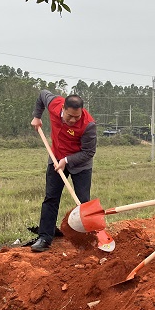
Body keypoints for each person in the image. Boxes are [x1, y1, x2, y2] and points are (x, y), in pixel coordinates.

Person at [30, 90, 96, 253]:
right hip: (56, 157)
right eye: (69, 116)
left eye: (77, 116)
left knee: (82, 201)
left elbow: (89, 152)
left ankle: (85, 239)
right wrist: (37, 117)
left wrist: (66, 161)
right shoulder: (54, 104)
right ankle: (45, 237)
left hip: (80, 164)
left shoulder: (88, 125)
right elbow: (41, 95)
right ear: (63, 109)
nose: (73, 120)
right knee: (51, 197)